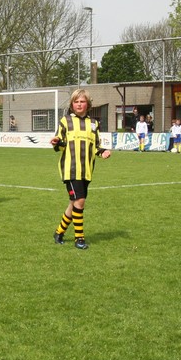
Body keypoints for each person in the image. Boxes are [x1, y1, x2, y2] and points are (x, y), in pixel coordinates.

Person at [50, 89, 111, 250]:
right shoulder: (65, 121)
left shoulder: (94, 124)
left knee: (74, 202)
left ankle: (59, 232)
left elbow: (96, 146)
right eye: (76, 101)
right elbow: (60, 143)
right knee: (80, 201)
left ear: (88, 104)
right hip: (70, 169)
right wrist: (57, 142)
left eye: (82, 101)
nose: (79, 104)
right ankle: (79, 238)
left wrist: (103, 152)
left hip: (87, 170)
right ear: (72, 104)